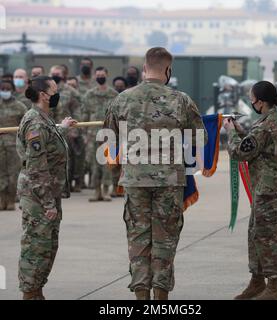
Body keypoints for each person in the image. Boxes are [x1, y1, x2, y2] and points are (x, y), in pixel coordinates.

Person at [104, 47, 207, 300]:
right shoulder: (181, 100)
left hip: (135, 180)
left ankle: (141, 298)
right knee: (165, 239)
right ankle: (161, 299)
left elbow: (109, 140)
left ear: (144, 70)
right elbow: (200, 138)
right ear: (168, 70)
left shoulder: (122, 99)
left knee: (138, 238)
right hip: (169, 181)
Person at [223, 81, 277, 300]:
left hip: (269, 189)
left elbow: (239, 152)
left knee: (268, 237)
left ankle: (273, 288)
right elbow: (258, 143)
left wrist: (231, 132)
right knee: (256, 232)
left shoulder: (265, 125)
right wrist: (243, 131)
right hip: (271, 187)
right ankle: (257, 281)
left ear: (260, 102)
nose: (250, 102)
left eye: (252, 98)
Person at [16, 76, 77, 300]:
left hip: (47, 192)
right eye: (54, 89)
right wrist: (48, 202)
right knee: (36, 248)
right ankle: (30, 293)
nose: (57, 93)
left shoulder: (44, 119)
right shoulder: (35, 122)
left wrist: (62, 127)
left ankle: (37, 291)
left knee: (48, 246)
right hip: (39, 196)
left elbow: (47, 142)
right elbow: (36, 167)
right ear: (43, 95)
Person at [82, 67, 118, 201]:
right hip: (92, 134)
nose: (100, 77)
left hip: (110, 134)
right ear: (94, 76)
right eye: (98, 75)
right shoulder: (89, 94)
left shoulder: (114, 95)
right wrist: (84, 134)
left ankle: (106, 190)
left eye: (102, 75)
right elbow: (84, 115)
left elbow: (118, 115)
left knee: (108, 163)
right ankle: (96, 191)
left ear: (107, 75)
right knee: (94, 163)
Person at [49, 65, 84, 192]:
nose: (55, 75)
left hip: (66, 129)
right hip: (50, 129)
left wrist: (75, 129)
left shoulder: (71, 92)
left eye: (57, 73)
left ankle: (66, 186)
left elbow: (77, 110)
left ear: (63, 75)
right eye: (53, 73)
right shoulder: (47, 90)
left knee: (67, 159)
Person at [0, 80, 27, 210]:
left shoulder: (20, 106)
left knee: (13, 173)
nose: (5, 91)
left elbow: (26, 125)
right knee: (1, 173)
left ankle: (11, 200)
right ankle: (2, 199)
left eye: (7, 88)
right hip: (0, 145)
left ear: (12, 90)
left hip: (14, 144)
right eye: (2, 88)